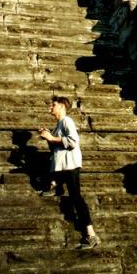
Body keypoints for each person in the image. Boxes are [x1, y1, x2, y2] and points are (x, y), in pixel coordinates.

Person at [38, 96, 100, 250]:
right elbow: (56, 148)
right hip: (62, 166)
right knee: (74, 196)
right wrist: (48, 137)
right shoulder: (59, 125)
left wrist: (52, 138)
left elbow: (73, 142)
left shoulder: (67, 121)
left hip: (70, 165)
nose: (50, 107)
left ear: (62, 106)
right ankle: (55, 185)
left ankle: (91, 235)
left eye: (53, 105)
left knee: (76, 198)